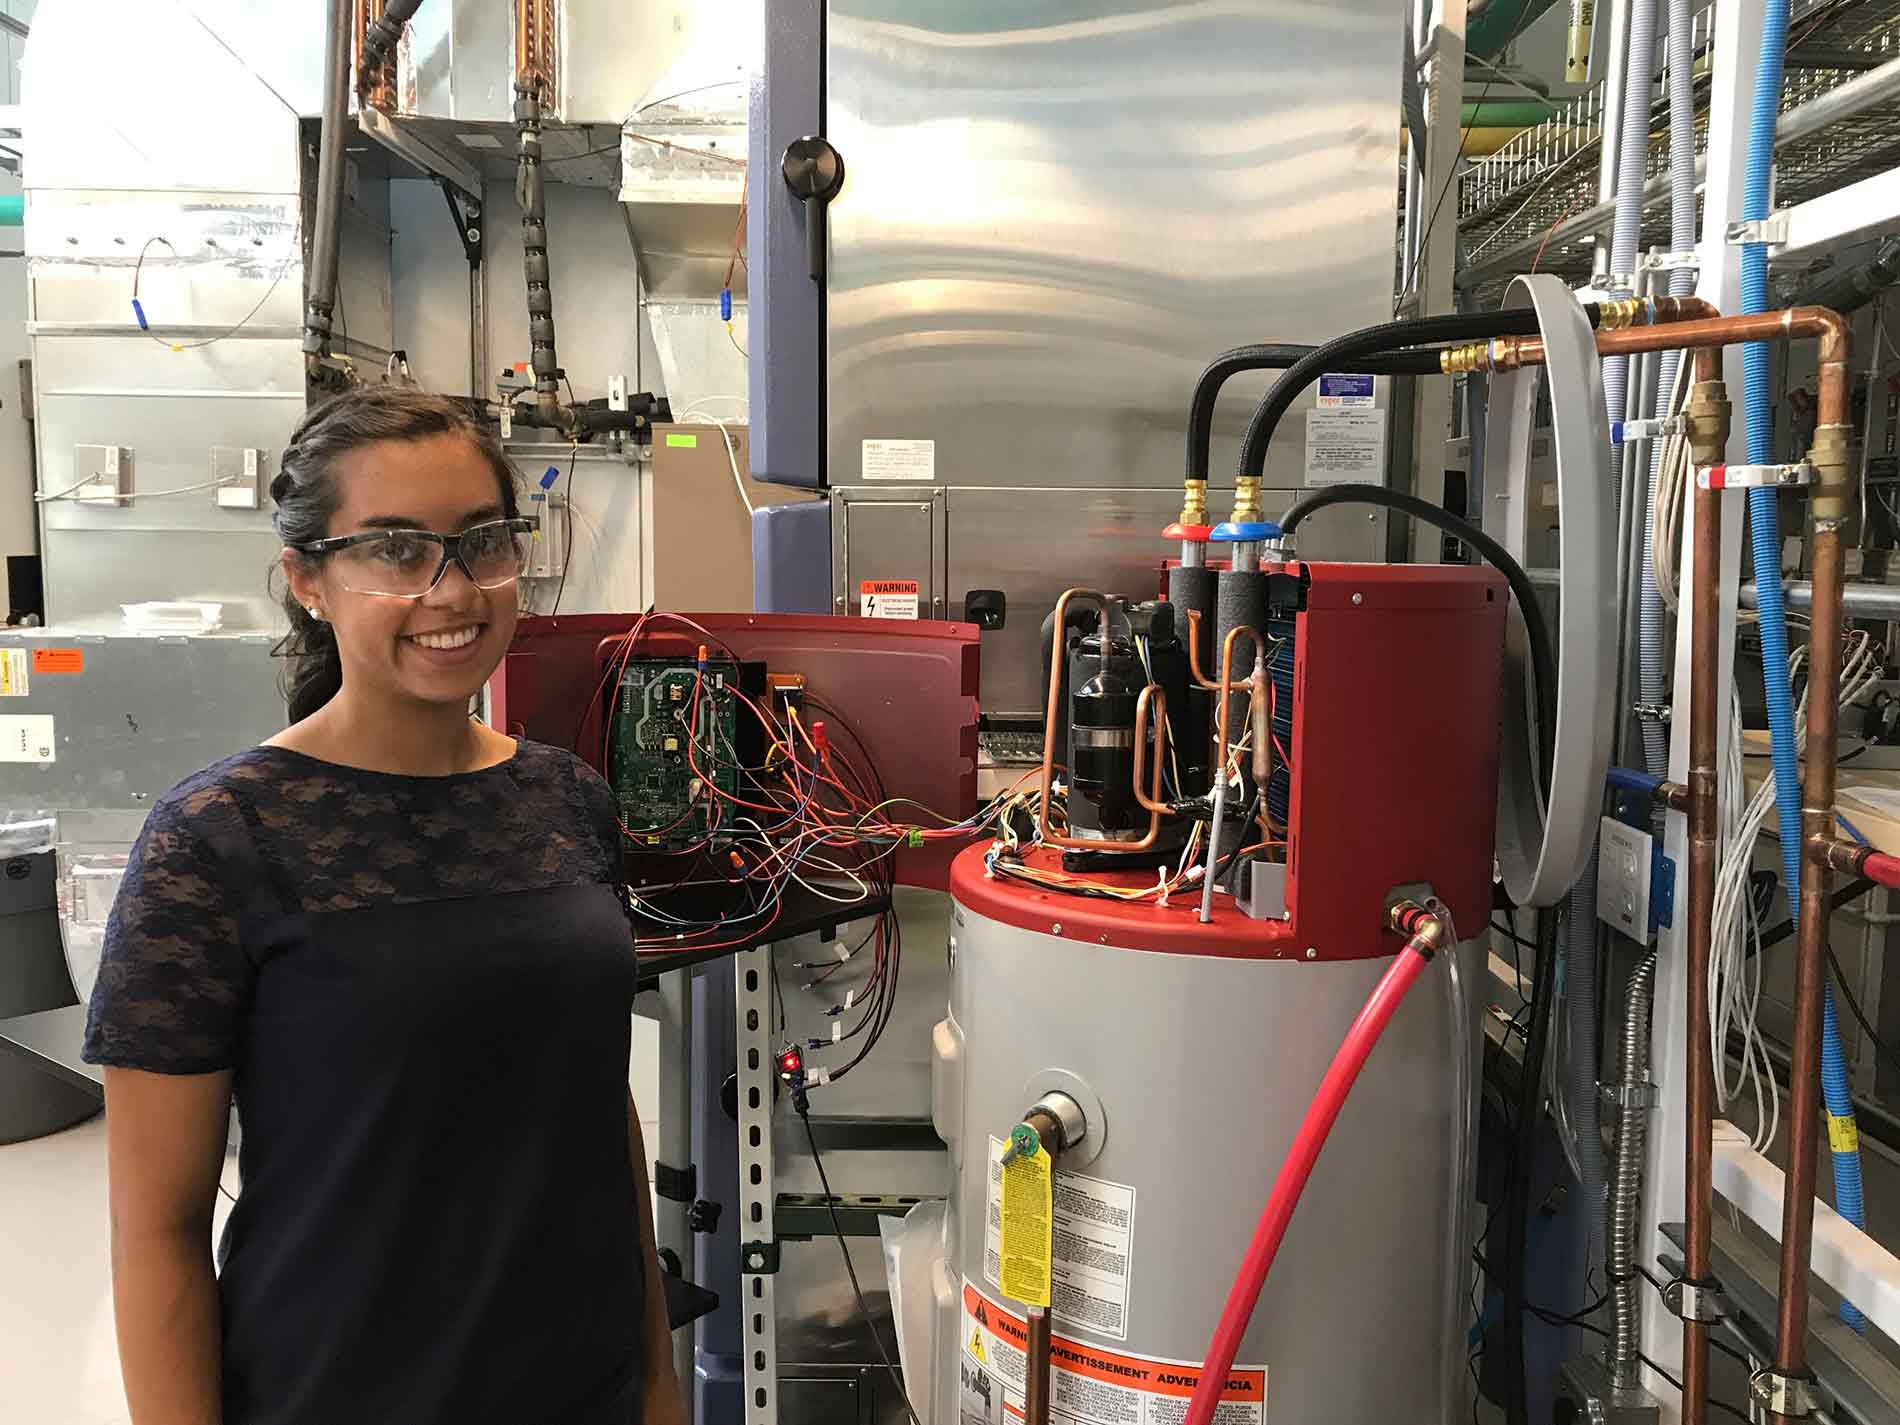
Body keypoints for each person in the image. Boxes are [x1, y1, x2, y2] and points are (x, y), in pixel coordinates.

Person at [83, 386, 685, 1425]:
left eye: (480, 542)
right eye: (394, 551)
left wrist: (657, 1381)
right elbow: (157, 1231)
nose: (450, 590)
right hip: (340, 1389)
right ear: (308, 579)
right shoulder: (219, 838)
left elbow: (595, 1111)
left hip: (576, 1384)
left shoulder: (565, 799)